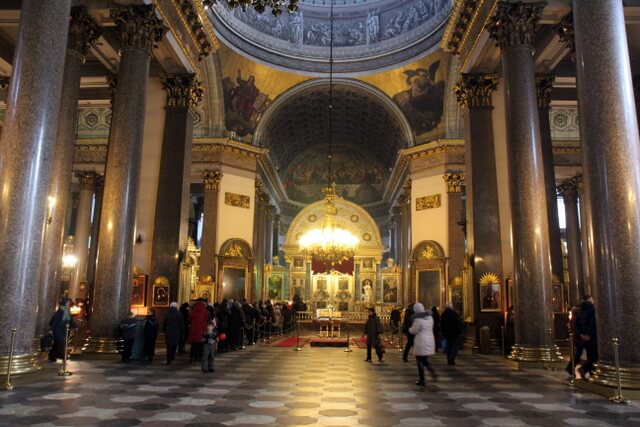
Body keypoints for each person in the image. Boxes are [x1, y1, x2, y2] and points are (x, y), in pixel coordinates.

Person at [409, 303, 437, 386]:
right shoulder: (430, 317)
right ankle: (431, 371)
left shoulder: (418, 319)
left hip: (421, 341)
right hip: (429, 340)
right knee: (424, 359)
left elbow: (414, 330)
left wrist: (409, 329)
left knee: (419, 360)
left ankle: (422, 380)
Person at [571, 295, 598, 378]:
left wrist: (581, 334)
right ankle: (586, 370)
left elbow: (577, 324)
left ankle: (590, 372)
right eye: (592, 299)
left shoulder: (580, 311)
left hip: (583, 337)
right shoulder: (592, 310)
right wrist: (589, 335)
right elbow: (592, 323)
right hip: (591, 337)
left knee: (589, 354)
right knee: (595, 355)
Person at [48, 297, 77, 362]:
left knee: (57, 343)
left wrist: (75, 327)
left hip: (63, 329)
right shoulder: (60, 310)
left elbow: (70, 320)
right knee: (60, 342)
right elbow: (55, 321)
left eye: (69, 302)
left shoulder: (67, 310)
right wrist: (51, 329)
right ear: (65, 303)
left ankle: (52, 356)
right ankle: (61, 355)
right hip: (57, 328)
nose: (69, 303)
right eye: (68, 302)